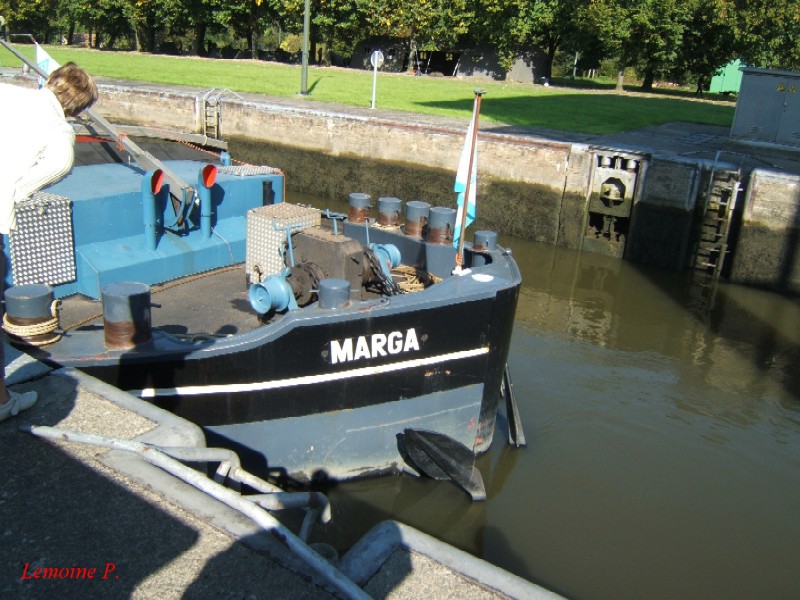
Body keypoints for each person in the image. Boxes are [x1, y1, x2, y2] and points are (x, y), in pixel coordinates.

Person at [0, 62, 98, 422]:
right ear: (78, 107)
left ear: (52, 81)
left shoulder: (8, 94)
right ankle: (2, 403)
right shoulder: (59, 128)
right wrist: (16, 191)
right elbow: (61, 164)